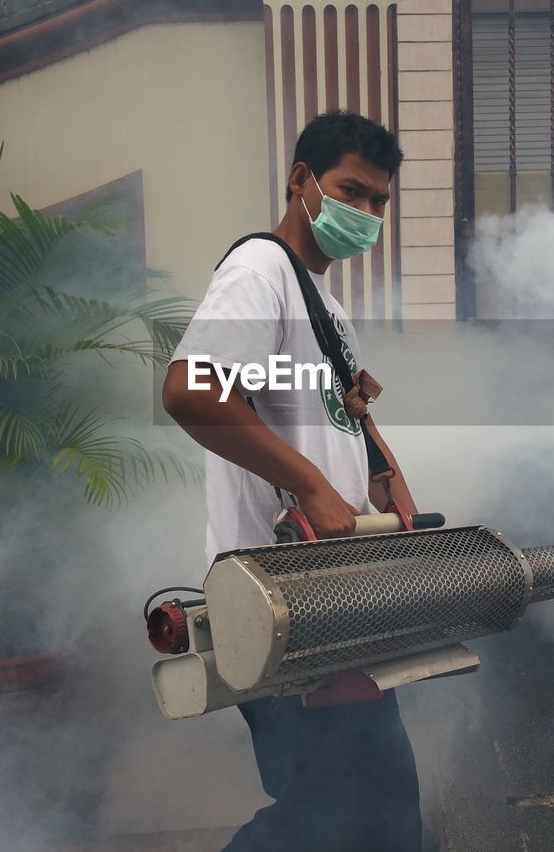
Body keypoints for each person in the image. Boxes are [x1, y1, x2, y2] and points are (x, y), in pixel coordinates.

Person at [161, 111, 423, 852]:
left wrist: (389, 480)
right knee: (325, 818)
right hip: (278, 602)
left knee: (379, 811)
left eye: (379, 202)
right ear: (300, 180)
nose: (367, 214)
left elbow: (339, 416)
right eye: (351, 191)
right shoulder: (260, 270)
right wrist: (311, 488)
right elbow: (191, 391)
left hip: (332, 592)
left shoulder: (327, 309)